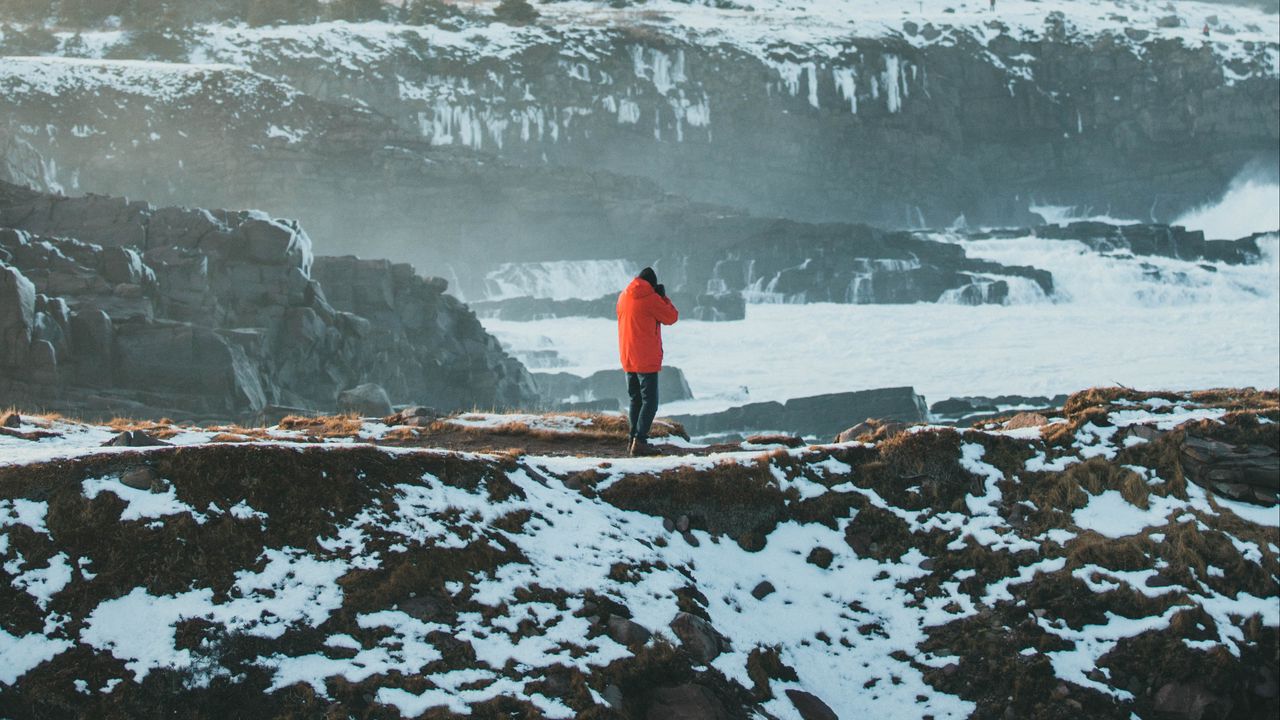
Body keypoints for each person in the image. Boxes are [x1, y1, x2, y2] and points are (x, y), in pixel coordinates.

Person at [616, 266, 678, 456]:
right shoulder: (650, 299)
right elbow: (671, 317)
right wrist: (663, 298)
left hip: (627, 355)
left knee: (635, 399)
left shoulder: (623, 297)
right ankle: (640, 441)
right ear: (651, 284)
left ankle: (632, 439)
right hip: (645, 358)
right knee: (650, 401)